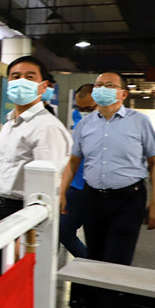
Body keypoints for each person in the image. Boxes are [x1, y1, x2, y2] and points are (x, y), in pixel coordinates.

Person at [59, 71, 155, 308]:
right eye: (98, 84)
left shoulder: (138, 121)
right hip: (94, 198)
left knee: (117, 263)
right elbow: (74, 161)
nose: (102, 89)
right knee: (95, 259)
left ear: (123, 93)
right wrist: (61, 191)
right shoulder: (85, 124)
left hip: (128, 200)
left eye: (109, 85)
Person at [0, 55, 72, 279]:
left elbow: (50, 187)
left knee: (18, 285)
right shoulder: (10, 123)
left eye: (29, 77)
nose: (21, 81)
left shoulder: (46, 127)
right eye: (15, 76)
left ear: (43, 86)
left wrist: (29, 234)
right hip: (2, 212)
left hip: (26, 217)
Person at [58, 83, 96, 258]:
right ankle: (89, 263)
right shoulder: (77, 117)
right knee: (64, 231)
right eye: (80, 108)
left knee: (98, 240)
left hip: (97, 191)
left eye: (88, 109)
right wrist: (63, 191)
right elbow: (74, 159)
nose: (82, 112)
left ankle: (96, 268)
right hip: (76, 188)